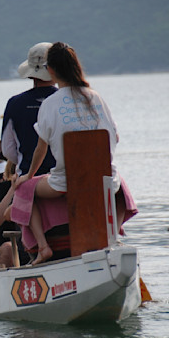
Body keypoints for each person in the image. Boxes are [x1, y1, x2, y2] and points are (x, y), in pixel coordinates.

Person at [16, 42, 120, 265]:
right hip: (104, 180)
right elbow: (115, 138)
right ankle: (113, 238)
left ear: (50, 70)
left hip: (65, 182)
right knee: (121, 185)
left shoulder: (50, 104)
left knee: (24, 189)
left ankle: (43, 248)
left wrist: (28, 175)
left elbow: (40, 149)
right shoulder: (97, 97)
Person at [1, 42, 57, 176]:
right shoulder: (67, 100)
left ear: (30, 73)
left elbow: (8, 149)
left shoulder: (15, 103)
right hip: (64, 177)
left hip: (28, 176)